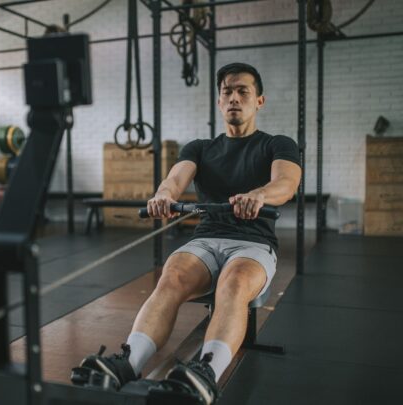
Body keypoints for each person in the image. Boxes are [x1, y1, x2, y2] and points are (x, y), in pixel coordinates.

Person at [74, 63, 302, 404]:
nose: (234, 98)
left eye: (243, 92)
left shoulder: (277, 144)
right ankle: (127, 363)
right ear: (219, 101)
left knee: (234, 283)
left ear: (260, 101)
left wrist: (260, 195)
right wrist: (164, 194)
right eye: (227, 92)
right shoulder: (200, 148)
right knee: (172, 276)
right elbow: (175, 179)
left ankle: (206, 372)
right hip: (206, 239)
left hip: (253, 243)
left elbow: (286, 183)